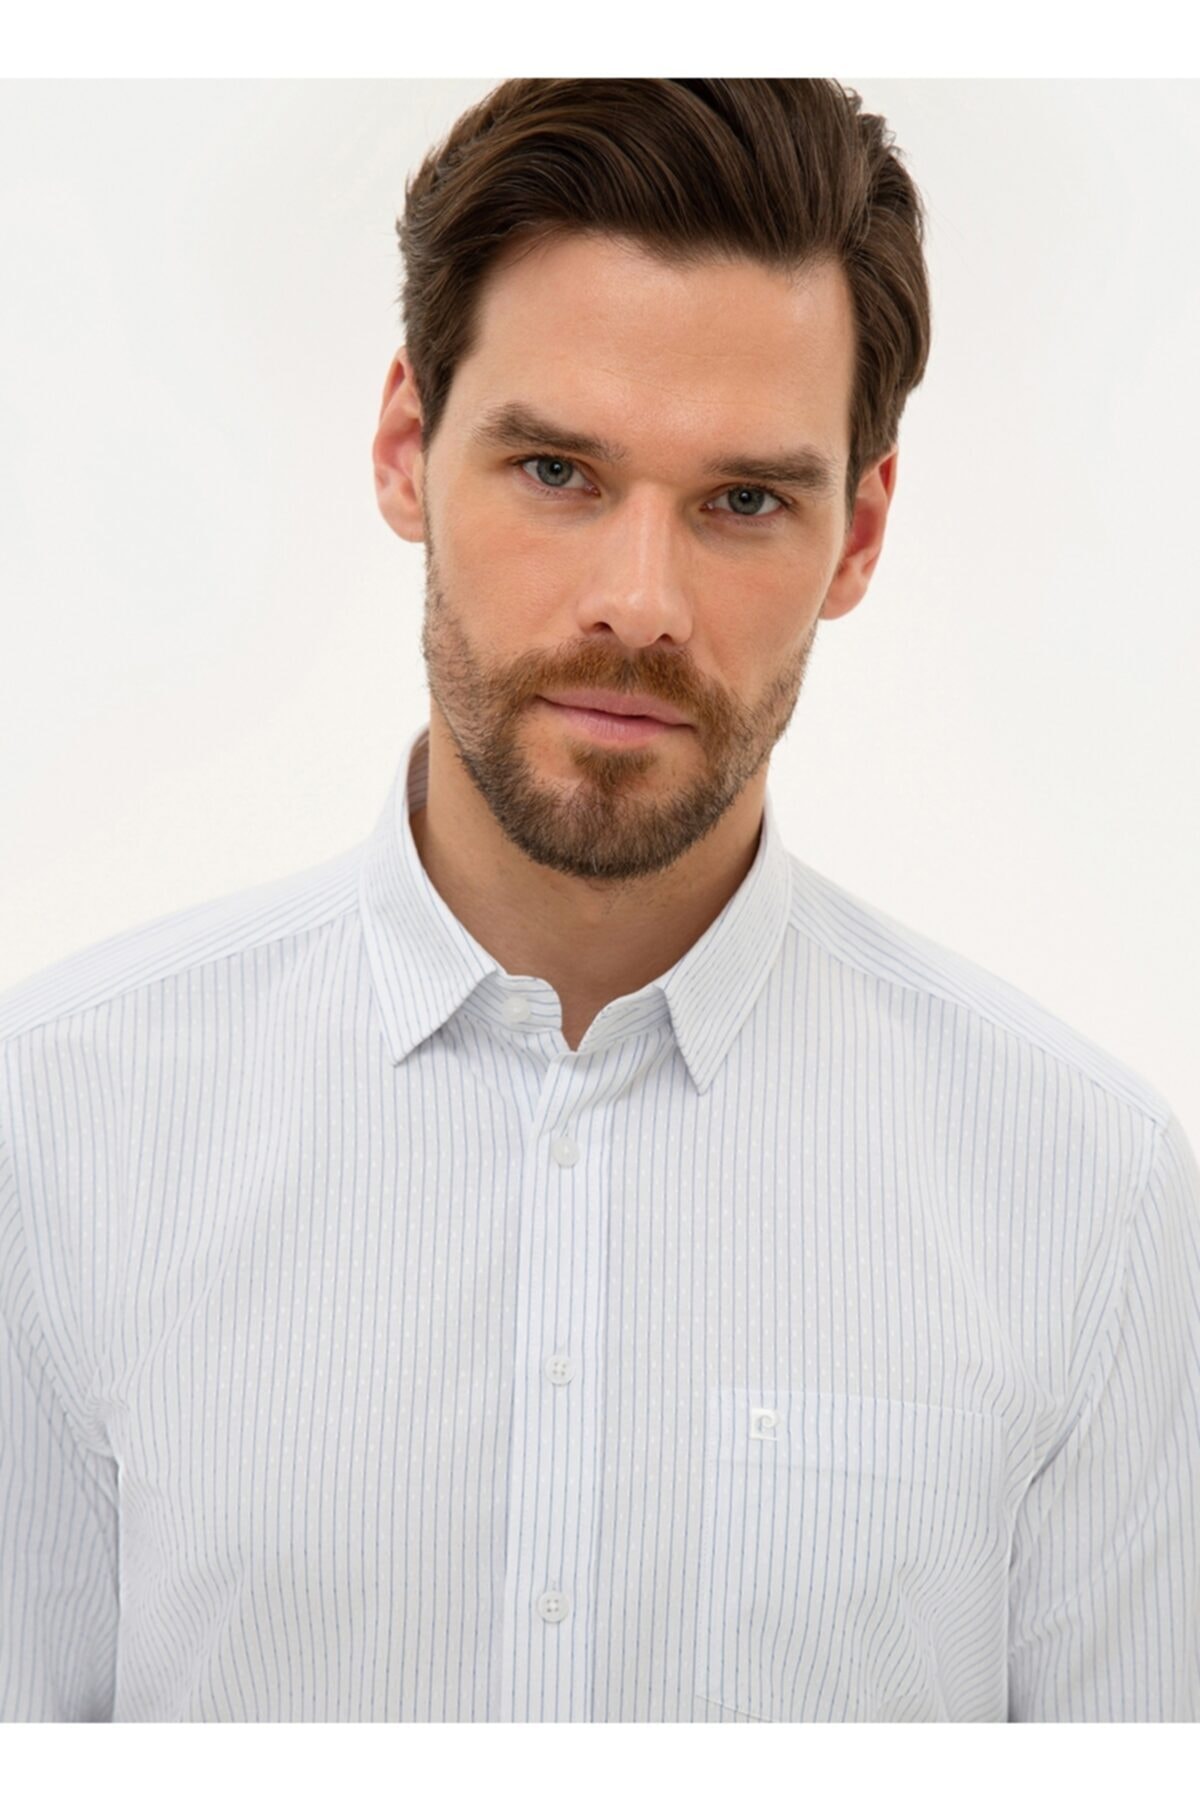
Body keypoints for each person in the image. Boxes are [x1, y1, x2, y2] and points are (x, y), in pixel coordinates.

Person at [1, 77, 1197, 1726]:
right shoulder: (56, 1135)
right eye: (558, 469)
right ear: (407, 449)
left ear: (859, 535)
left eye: (743, 501)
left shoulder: (1088, 1203)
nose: (640, 604)